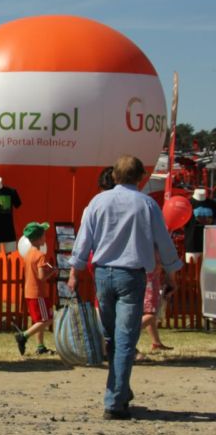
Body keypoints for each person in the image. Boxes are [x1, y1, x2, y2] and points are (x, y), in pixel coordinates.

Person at [68, 155, 181, 420]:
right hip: (132, 276)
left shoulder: (98, 202)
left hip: (103, 276)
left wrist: (74, 272)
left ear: (115, 176)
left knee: (112, 338)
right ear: (141, 176)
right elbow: (164, 243)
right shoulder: (147, 204)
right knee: (125, 340)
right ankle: (115, 402)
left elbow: (84, 240)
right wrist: (172, 274)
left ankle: (120, 389)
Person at [14, 222, 58, 356]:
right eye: (44, 235)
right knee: (47, 319)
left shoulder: (27, 254)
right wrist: (52, 271)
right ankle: (23, 336)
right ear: (39, 238)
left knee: (39, 320)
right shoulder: (40, 255)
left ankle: (40, 346)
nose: (45, 237)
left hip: (30, 292)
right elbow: (41, 276)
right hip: (38, 293)